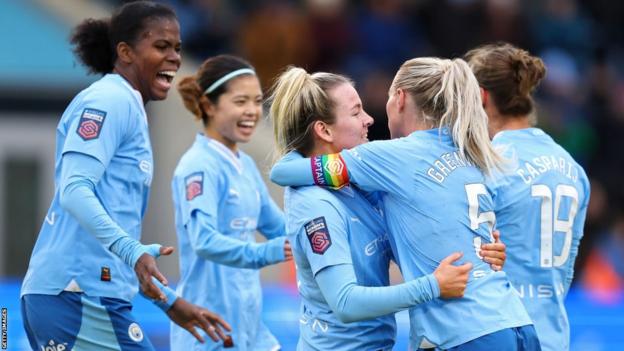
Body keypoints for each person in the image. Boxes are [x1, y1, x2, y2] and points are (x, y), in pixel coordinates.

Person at [271, 57, 541, 350]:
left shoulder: (385, 171)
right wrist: (439, 281)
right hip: (509, 323)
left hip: (464, 334)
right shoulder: (319, 199)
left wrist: (476, 252)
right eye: (356, 111)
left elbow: (281, 171)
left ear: (400, 98)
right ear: (323, 130)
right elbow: (345, 302)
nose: (369, 119)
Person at [20, 2, 230, 350]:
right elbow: (74, 189)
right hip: (77, 296)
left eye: (177, 48)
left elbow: (112, 227)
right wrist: (132, 250)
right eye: (161, 46)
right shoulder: (109, 101)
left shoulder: (129, 106)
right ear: (125, 52)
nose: (175, 58)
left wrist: (168, 301)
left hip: (79, 297)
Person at [464, 42, 591, 351]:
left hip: (500, 334)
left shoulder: (487, 166)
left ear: (480, 97)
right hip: (553, 335)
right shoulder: (574, 170)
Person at [171, 55, 292, 351]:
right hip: (209, 333)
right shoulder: (198, 166)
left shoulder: (245, 165)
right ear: (209, 106)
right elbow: (204, 241)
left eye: (256, 101)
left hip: (250, 331)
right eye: (240, 102)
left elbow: (281, 228)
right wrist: (266, 253)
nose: (252, 111)